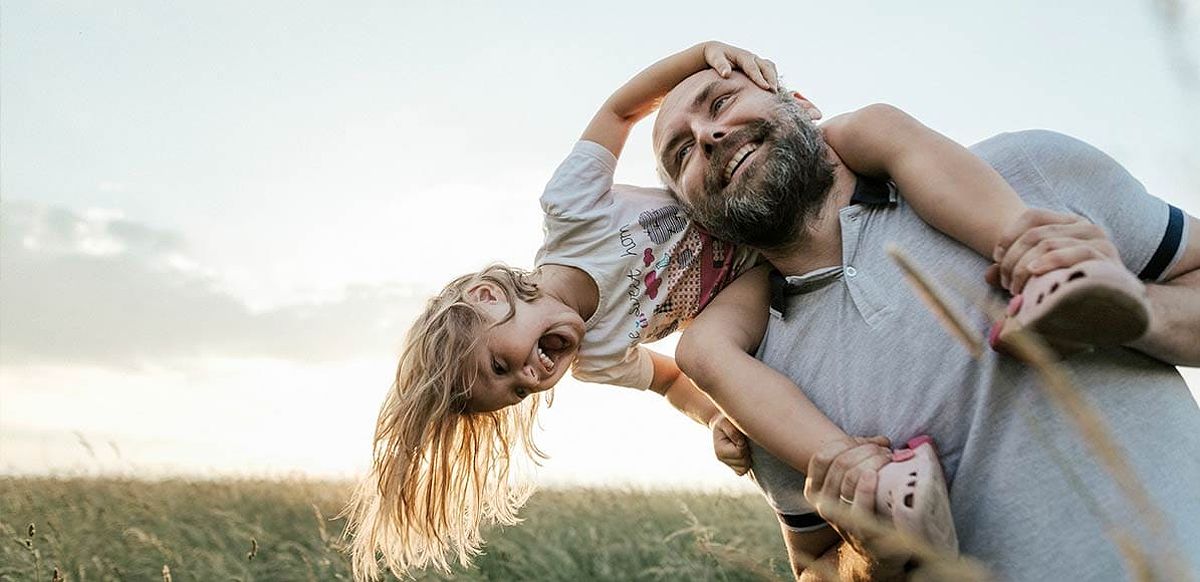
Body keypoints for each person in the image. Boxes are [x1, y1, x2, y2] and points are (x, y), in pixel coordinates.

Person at [344, 41, 1155, 579]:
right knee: (704, 353)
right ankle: (871, 483)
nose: (533, 374)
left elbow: (619, 110)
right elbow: (670, 378)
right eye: (518, 390)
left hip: (757, 214)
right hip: (749, 268)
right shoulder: (592, 357)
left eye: (502, 363)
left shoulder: (571, 213)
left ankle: (1037, 252)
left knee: (873, 124)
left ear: (490, 297)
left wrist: (699, 57)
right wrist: (722, 421)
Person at [652, 64, 1200, 580]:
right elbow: (813, 564)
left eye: (722, 102)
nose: (708, 136)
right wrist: (874, 557)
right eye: (682, 155)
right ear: (697, 215)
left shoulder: (1025, 172)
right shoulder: (754, 383)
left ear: (799, 103)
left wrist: (1137, 311)